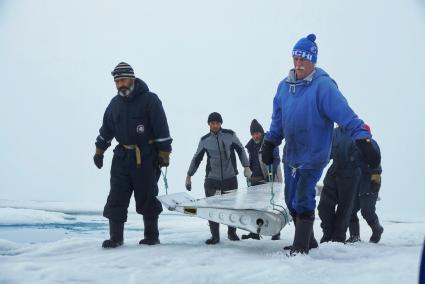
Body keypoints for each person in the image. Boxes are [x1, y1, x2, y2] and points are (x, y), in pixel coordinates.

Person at [261, 34, 380, 256]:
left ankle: (300, 246)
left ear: (313, 60)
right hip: (291, 155)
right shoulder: (283, 88)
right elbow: (277, 120)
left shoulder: (323, 87)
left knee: (304, 195)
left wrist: (363, 139)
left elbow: (346, 115)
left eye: (304, 59)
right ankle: (309, 240)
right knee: (290, 199)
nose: (298, 63)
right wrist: (270, 141)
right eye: (296, 58)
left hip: (313, 156)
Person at [93, 62, 172, 248]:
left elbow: (162, 128)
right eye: (117, 81)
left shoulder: (150, 100)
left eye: (123, 80)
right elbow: (106, 129)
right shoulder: (114, 104)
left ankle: (151, 236)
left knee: (148, 196)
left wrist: (164, 153)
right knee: (116, 197)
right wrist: (99, 151)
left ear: (132, 79)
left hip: (145, 156)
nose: (121, 84)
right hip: (121, 157)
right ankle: (115, 238)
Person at [185, 112, 252, 245]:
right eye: (212, 123)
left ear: (221, 123)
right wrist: (189, 175)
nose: (215, 125)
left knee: (231, 207)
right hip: (212, 179)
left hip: (230, 178)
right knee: (212, 208)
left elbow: (241, 150)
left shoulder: (230, 135)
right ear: (209, 124)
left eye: (217, 123)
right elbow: (196, 158)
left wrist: (246, 166)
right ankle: (215, 236)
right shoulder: (204, 140)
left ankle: (231, 233)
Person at [317, 125, 362, 243]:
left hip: (350, 175)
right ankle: (327, 234)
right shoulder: (333, 132)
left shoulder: (357, 131)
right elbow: (327, 152)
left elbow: (366, 155)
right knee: (323, 206)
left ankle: (338, 238)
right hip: (334, 172)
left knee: (344, 209)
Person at [241, 119, 283, 241]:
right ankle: (254, 232)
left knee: (273, 206)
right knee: (255, 207)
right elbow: (251, 162)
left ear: (262, 132)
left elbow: (276, 158)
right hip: (256, 180)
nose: (256, 135)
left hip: (271, 178)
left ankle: (276, 232)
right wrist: (248, 172)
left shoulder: (269, 142)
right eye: (253, 134)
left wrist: (272, 172)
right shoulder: (251, 146)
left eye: (258, 133)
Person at [346, 125, 383, 243]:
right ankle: (354, 236)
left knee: (367, 210)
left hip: (371, 178)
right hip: (356, 179)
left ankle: (377, 229)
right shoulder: (354, 145)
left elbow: (376, 161)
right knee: (351, 209)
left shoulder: (371, 144)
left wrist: (375, 182)